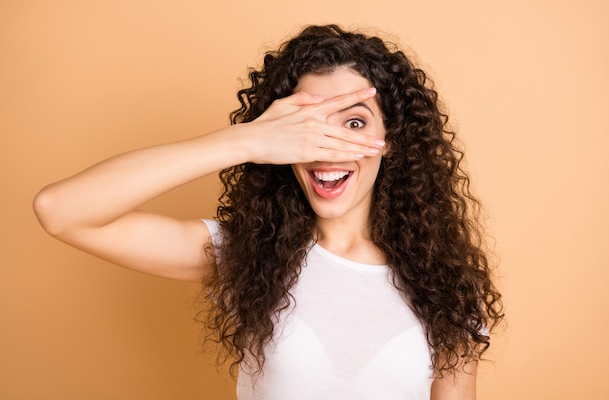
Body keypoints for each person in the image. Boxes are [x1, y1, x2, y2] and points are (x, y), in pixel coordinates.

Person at [33, 24, 503, 400]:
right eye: (308, 126)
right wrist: (247, 141)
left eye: (354, 123)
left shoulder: (447, 282)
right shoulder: (243, 254)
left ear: (392, 142)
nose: (326, 146)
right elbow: (61, 211)